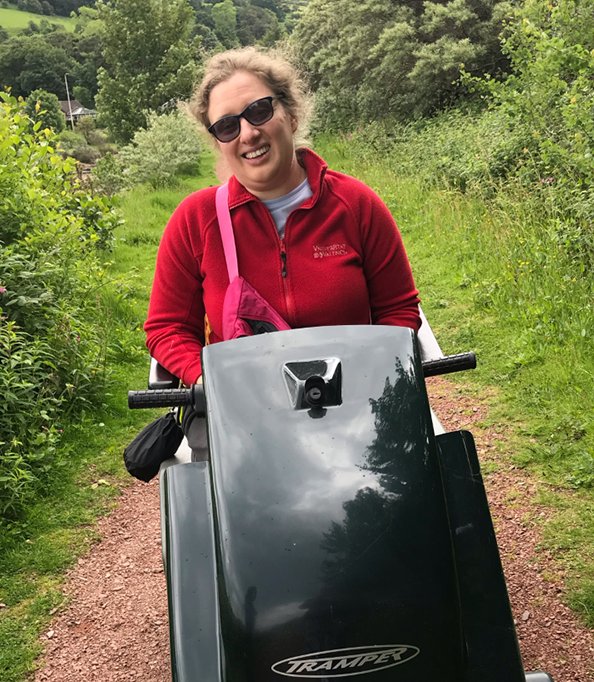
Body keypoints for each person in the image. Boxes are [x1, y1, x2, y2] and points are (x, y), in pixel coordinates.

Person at [144, 47, 421, 454]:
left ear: (290, 114)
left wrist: (371, 377)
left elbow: (399, 311)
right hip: (245, 423)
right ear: (219, 142)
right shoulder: (195, 221)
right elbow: (166, 328)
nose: (248, 133)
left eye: (258, 111)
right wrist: (207, 379)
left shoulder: (356, 206)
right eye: (227, 126)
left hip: (357, 412)